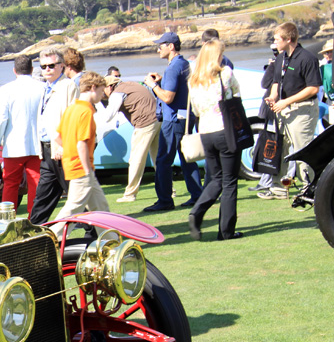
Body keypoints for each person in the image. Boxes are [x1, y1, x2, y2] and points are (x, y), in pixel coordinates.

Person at [186, 40, 243, 241]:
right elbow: (236, 95)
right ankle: (226, 231)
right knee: (229, 182)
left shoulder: (193, 80)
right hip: (224, 129)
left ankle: (197, 211)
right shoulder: (225, 73)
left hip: (206, 132)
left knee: (216, 177)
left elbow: (194, 110)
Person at [142, 32, 203, 212]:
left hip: (174, 119)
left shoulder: (173, 68)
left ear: (171, 46)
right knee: (186, 157)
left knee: (163, 160)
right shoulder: (183, 64)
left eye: (161, 45)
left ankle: (165, 200)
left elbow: (168, 98)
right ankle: (197, 195)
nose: (158, 48)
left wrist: (152, 85)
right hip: (184, 116)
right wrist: (161, 82)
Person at [263, 22, 321, 195]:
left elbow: (313, 88)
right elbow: (275, 82)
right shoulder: (280, 58)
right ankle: (279, 187)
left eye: (277, 39)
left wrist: (286, 101)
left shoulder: (307, 58)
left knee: (303, 150)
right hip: (283, 109)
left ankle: (309, 188)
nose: (274, 43)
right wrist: (273, 96)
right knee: (281, 149)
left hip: (303, 109)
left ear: (289, 39)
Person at [27, 47, 78, 225]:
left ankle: (95, 233)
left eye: (51, 65)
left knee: (77, 194)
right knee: (43, 196)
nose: (47, 69)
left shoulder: (67, 86)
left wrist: (62, 145)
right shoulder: (46, 88)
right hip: (47, 149)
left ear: (61, 66)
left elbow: (71, 118)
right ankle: (32, 232)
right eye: (43, 66)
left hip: (61, 150)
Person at [54, 72, 110, 220]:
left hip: (75, 165)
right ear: (93, 87)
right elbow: (81, 144)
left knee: (101, 207)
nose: (102, 95)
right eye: (101, 90)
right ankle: (52, 237)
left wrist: (69, 149)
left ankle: (111, 239)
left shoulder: (71, 109)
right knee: (73, 209)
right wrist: (86, 169)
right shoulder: (85, 112)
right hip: (81, 169)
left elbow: (58, 136)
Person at [96, 75, 160, 203]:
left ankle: (130, 194)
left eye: (103, 89)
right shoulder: (132, 84)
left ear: (110, 86)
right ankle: (169, 190)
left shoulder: (117, 94)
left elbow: (108, 116)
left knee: (136, 159)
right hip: (157, 120)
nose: (103, 93)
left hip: (144, 123)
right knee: (158, 159)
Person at [0, 55, 43, 215]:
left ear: (14, 70)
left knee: (11, 184)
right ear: (32, 69)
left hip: (14, 145)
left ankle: (7, 218)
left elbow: (1, 118)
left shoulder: (6, 89)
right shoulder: (43, 87)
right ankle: (35, 219)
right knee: (36, 182)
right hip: (37, 144)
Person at [320, 40, 334, 124]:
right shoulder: (322, 66)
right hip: (329, 100)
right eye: (326, 53)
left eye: (331, 52)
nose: (328, 55)